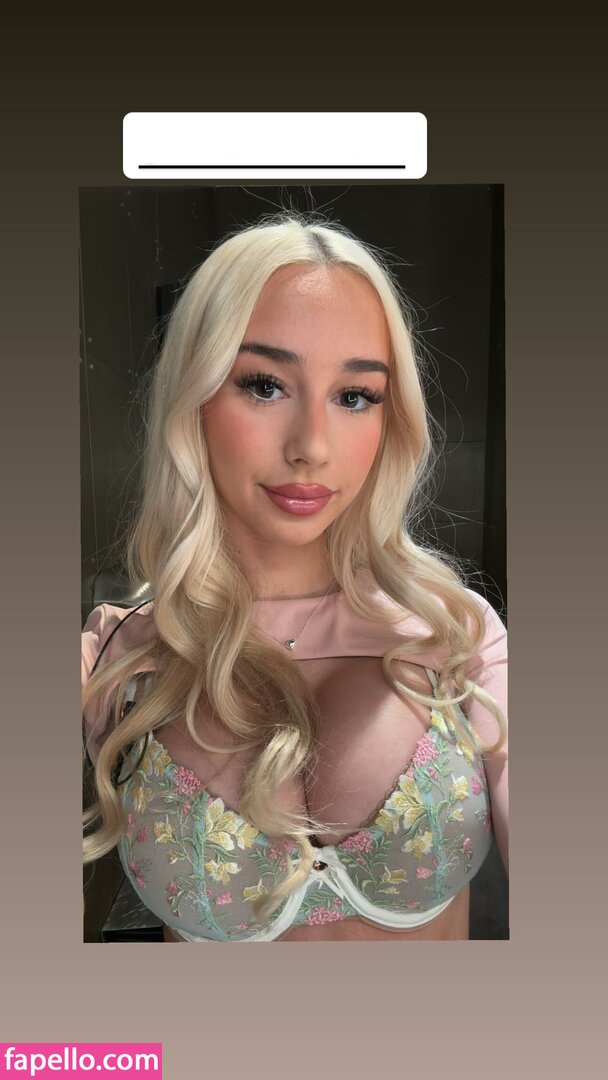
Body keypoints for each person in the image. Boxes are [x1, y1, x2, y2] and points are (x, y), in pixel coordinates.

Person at [82, 214, 508, 943]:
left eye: (355, 396)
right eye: (265, 385)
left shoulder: (458, 634)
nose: (312, 445)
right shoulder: (117, 658)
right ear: (194, 398)